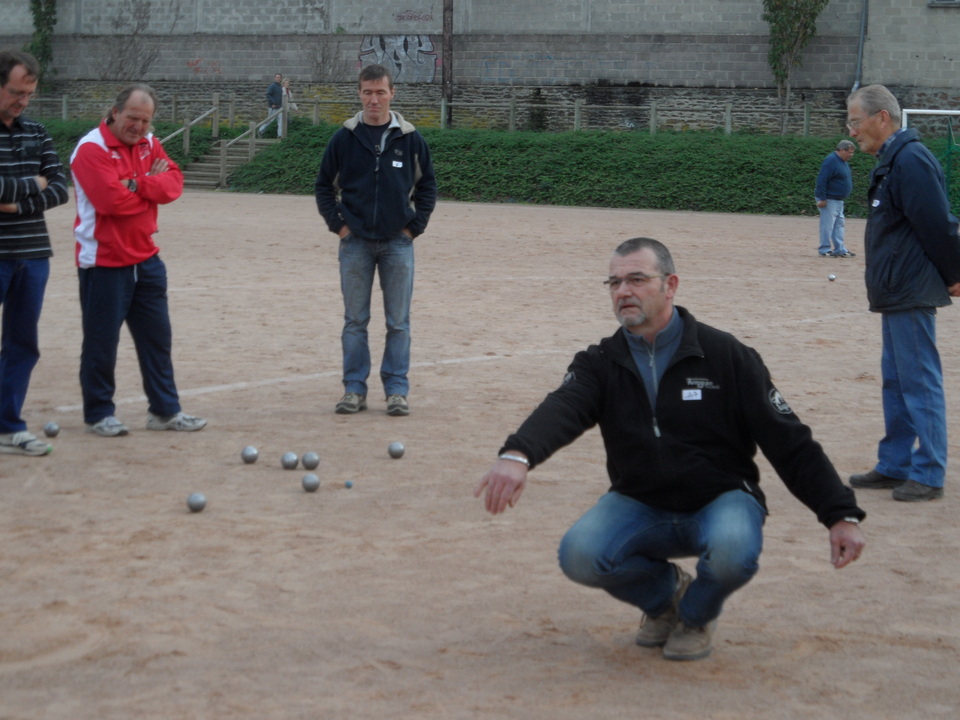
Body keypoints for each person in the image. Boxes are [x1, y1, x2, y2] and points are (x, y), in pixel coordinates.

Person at [474, 237, 866, 661]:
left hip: (721, 498)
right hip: (638, 501)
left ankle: (695, 616)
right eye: (614, 283)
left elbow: (789, 440)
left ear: (671, 285)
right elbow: (562, 408)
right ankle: (666, 598)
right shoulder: (600, 362)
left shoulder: (726, 355)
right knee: (580, 555)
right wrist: (518, 455)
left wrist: (838, 513)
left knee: (732, 550)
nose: (623, 291)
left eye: (637, 279)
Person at [69, 84, 206, 437]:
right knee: (101, 343)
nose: (139, 127)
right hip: (104, 261)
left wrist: (135, 184)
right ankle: (99, 413)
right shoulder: (91, 149)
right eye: (133, 118)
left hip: (146, 259)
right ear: (115, 112)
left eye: (145, 121)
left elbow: (174, 184)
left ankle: (164, 411)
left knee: (157, 340)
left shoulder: (148, 142)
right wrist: (148, 185)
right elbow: (110, 203)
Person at [845, 85, 960, 502]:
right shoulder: (893, 161)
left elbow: (938, 223)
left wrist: (955, 274)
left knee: (918, 382)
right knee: (896, 383)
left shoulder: (911, 159)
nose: (852, 131)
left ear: (882, 118)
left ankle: (928, 472)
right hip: (896, 290)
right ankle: (895, 464)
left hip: (911, 289)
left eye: (855, 122)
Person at [314, 63, 437, 417]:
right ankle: (354, 390)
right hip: (355, 243)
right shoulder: (343, 138)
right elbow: (323, 186)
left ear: (392, 93)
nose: (374, 100)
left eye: (380, 92)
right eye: (367, 92)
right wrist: (340, 227)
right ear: (359, 93)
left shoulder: (411, 139)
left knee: (398, 323)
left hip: (398, 244)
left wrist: (413, 229)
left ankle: (396, 391)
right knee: (355, 321)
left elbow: (427, 187)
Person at [0, 50, 69, 456]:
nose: (23, 101)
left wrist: (16, 205)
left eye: (28, 94)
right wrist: (34, 183)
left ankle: (8, 427)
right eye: (15, 92)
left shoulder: (38, 132)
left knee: (23, 345)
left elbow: (60, 188)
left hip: (33, 254)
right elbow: (42, 183)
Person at [815, 139, 856, 258]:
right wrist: (822, 198)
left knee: (839, 226)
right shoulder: (831, 161)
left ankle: (840, 249)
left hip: (838, 200)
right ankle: (824, 249)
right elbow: (822, 180)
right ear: (842, 150)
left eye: (852, 152)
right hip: (829, 199)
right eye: (849, 152)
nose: (851, 155)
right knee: (827, 226)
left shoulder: (843, 161)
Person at [259, 73, 282, 138]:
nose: (278, 78)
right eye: (277, 77)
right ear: (275, 78)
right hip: (273, 107)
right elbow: (268, 94)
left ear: (280, 79)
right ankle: (261, 130)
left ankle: (280, 135)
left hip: (280, 107)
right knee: (270, 120)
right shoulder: (272, 86)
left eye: (279, 77)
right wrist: (273, 103)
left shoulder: (280, 87)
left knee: (281, 121)